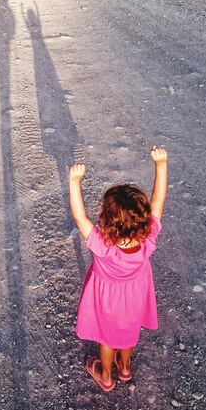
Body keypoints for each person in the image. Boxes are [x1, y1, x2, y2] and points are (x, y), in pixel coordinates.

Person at [69, 146, 168, 392]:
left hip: (107, 299)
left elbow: (80, 218)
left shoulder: (103, 245)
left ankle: (105, 376)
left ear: (107, 221)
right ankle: (124, 369)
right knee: (128, 333)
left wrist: (74, 182)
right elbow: (158, 200)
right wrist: (161, 165)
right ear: (143, 219)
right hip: (135, 297)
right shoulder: (149, 238)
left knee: (107, 338)